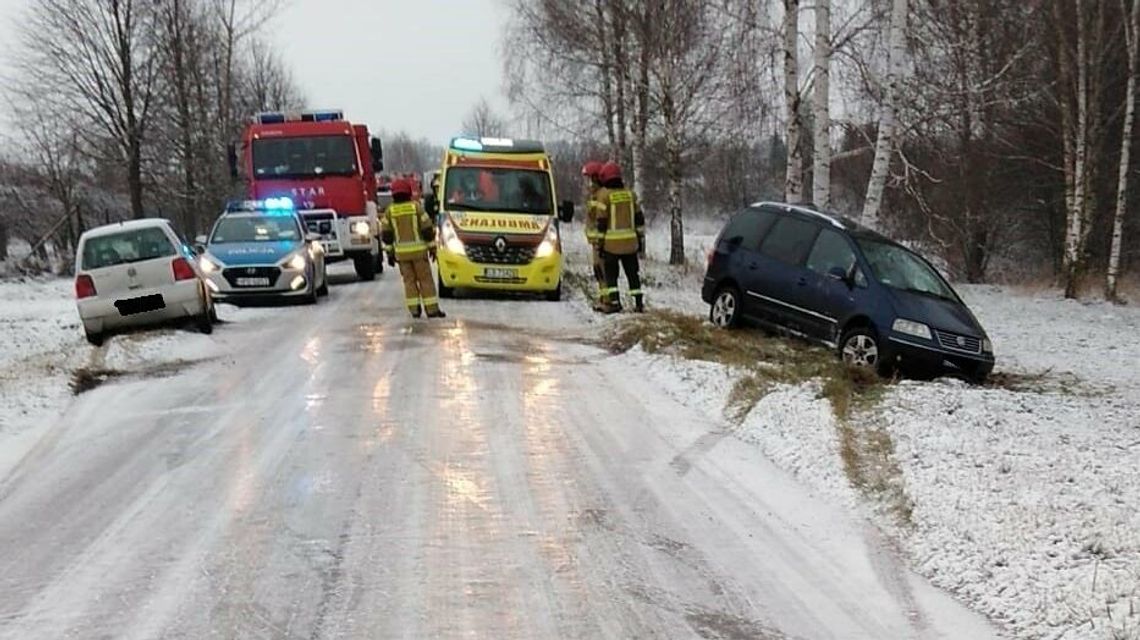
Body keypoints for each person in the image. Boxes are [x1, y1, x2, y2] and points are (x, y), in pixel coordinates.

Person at [382, 178, 446, 318]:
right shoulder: (416, 208)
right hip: (419, 254)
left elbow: (387, 235)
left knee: (409, 282)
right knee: (425, 280)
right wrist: (432, 249)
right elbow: (427, 230)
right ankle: (432, 310)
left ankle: (415, 310)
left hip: (402, 256)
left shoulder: (389, 212)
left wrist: (390, 254)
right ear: (408, 192)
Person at [594, 161, 646, 313]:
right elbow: (639, 218)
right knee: (633, 275)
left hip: (611, 246)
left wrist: (599, 243)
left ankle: (615, 303)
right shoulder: (631, 195)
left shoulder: (604, 196)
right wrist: (640, 239)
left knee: (611, 276)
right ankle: (638, 303)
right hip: (630, 244)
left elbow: (601, 222)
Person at [581, 161, 606, 309]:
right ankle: (603, 297)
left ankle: (606, 299)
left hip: (600, 240)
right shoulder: (594, 195)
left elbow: (598, 217)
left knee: (602, 270)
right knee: (598, 270)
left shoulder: (600, 196)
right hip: (595, 240)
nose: (588, 183)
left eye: (590, 179)